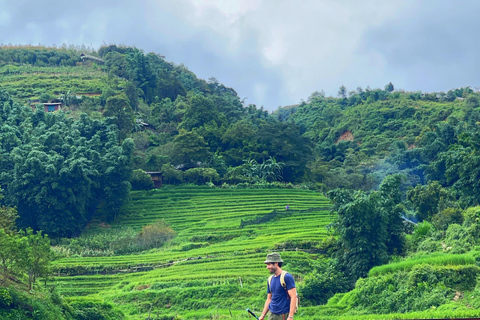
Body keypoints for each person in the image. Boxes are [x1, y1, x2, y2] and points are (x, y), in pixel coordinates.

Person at [259, 252, 297, 320]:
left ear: (276, 263)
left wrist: (290, 316)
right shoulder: (270, 279)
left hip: (282, 314)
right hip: (271, 314)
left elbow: (293, 296)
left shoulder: (286, 277)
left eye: (269, 264)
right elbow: (269, 299)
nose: (267, 267)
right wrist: (263, 315)